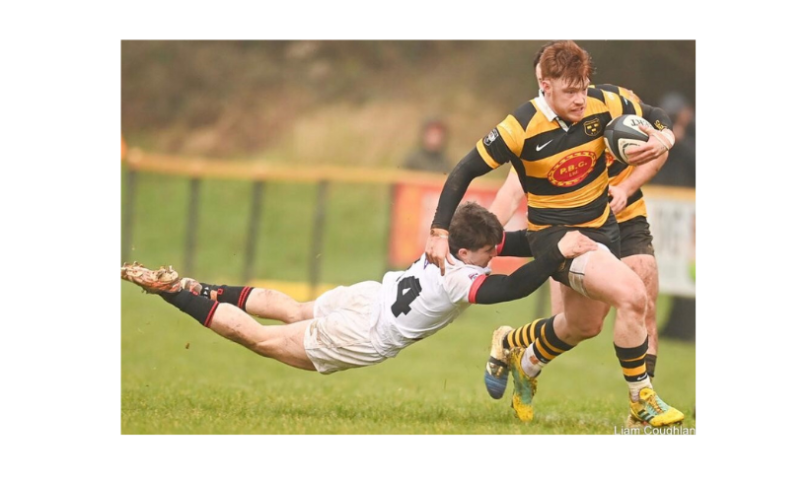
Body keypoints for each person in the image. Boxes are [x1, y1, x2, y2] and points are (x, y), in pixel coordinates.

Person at [426, 39, 683, 426]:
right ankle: (641, 404)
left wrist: (665, 137)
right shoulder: (521, 126)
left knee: (583, 326)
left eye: (583, 88)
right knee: (634, 295)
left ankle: (519, 356)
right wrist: (439, 230)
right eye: (569, 91)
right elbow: (464, 170)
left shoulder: (604, 102)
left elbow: (656, 114)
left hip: (604, 232)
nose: (580, 99)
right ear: (544, 84)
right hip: (557, 238)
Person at [120, 202, 597, 376]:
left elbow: (505, 251)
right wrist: (558, 252)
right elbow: (511, 289)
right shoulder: (461, 280)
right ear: (471, 253)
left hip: (373, 294)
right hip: (368, 330)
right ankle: (174, 291)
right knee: (261, 340)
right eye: (490, 252)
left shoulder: (440, 245)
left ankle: (197, 286)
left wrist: (549, 239)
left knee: (293, 309)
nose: (495, 256)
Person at [488, 80, 669, 427]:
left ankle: (641, 417)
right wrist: (485, 245)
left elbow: (659, 148)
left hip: (628, 215)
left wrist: (626, 187)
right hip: (577, 227)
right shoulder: (543, 134)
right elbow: (510, 195)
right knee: (580, 325)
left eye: (581, 89)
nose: (578, 100)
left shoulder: (622, 104)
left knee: (643, 302)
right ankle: (513, 345)